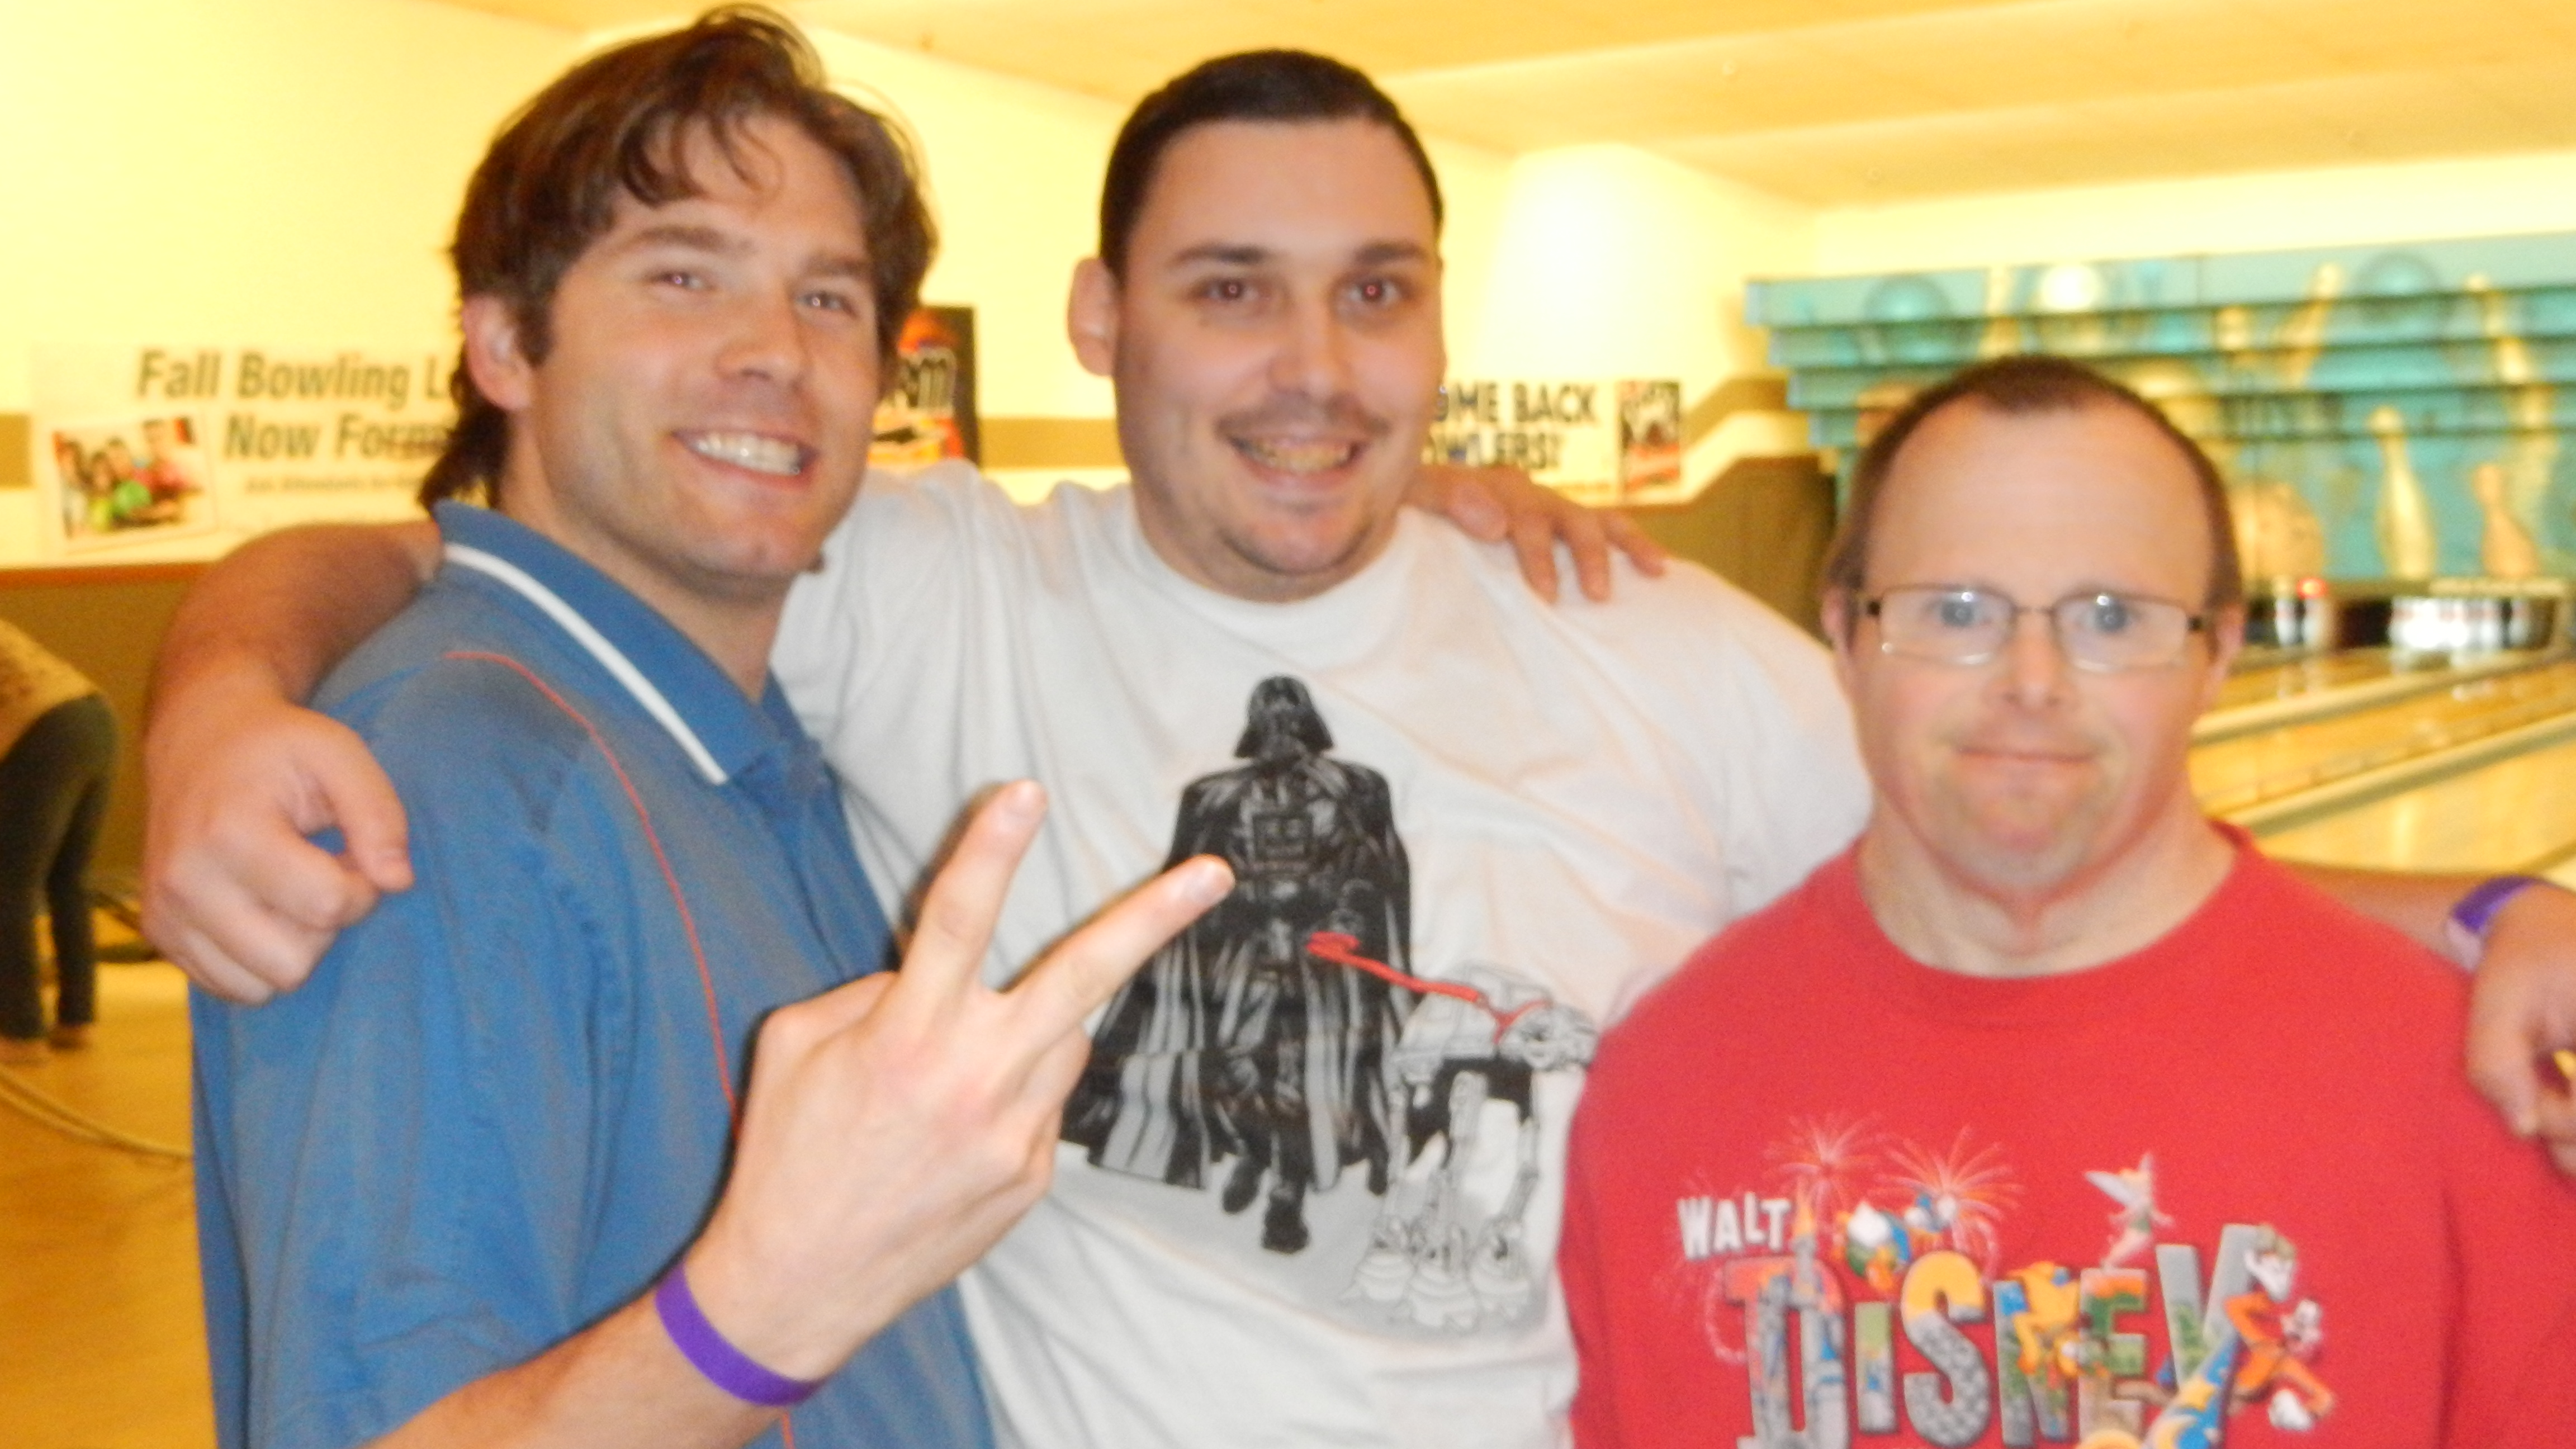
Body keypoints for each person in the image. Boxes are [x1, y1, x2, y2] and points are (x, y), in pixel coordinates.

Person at [143, 41, 2576, 1449]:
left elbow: (2042, 858)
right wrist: (226, 693)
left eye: (1374, 293)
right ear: (1099, 319)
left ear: (1435, 326)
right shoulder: (925, 573)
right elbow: (470, 545)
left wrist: (2479, 909)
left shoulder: (1651, 646)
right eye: (1232, 291)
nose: (1312, 369)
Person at [182, 15, 1229, 1449]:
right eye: (683, 275)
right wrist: (760, 1312)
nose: (773, 352)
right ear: (506, 346)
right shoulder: (459, 778)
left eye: (827, 298)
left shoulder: (728, 730)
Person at [1561, 356, 2576, 1449]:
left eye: (2111, 616)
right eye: (1956, 610)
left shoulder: (2463, 1087)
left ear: (2218, 652)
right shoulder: (1661, 1086)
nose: (2033, 678)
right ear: (1846, 638)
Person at [0, 618, 113, 1065]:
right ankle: (77, 1019)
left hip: (42, 729)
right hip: (93, 719)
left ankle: (21, 1031)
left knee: (9, 886)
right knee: (68, 881)